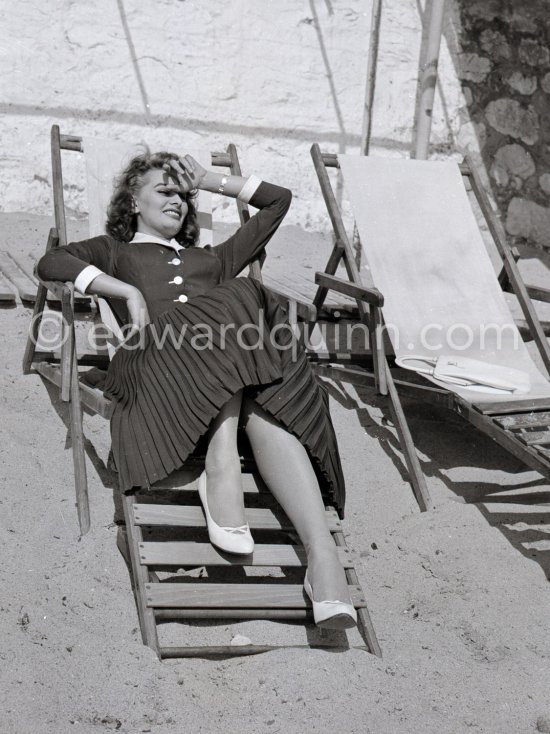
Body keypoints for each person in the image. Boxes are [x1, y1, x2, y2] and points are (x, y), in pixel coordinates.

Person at [37, 151, 357, 629]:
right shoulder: (116, 251)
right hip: (151, 373)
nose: (179, 202)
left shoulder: (215, 258)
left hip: (227, 375)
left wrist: (210, 180)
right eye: (164, 191)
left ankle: (321, 555)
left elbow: (278, 202)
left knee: (267, 401)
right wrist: (124, 291)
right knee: (242, 298)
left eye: (184, 196)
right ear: (133, 200)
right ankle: (220, 457)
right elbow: (50, 261)